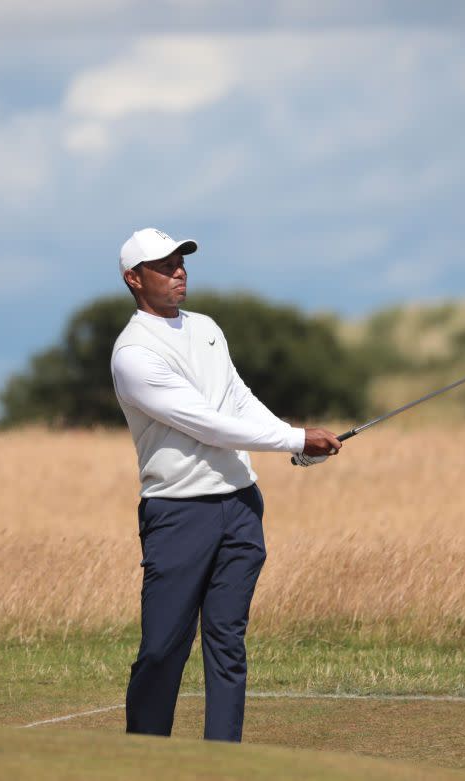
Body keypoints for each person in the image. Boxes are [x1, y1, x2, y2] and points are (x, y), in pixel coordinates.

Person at [110, 227, 342, 741]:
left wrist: (291, 441)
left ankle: (223, 761)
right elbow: (207, 423)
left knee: (226, 640)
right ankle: (143, 755)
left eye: (181, 262)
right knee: (163, 647)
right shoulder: (133, 354)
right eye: (164, 265)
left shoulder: (207, 328)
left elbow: (237, 398)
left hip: (239, 505)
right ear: (133, 278)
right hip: (177, 512)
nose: (179, 272)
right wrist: (294, 440)